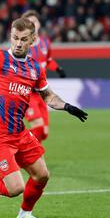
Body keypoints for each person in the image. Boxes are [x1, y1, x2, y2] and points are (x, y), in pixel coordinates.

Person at [0, 18, 87, 218]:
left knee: (42, 175)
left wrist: (67, 106)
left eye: (23, 39)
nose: (18, 43)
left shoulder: (35, 68)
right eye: (15, 38)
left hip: (20, 134)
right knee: (15, 188)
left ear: (33, 40)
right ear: (10, 37)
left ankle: (24, 216)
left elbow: (48, 96)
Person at [21, 10, 67, 142]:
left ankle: (33, 159)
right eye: (29, 22)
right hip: (28, 93)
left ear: (39, 24)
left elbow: (48, 60)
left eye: (35, 21)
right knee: (39, 128)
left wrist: (58, 68)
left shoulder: (45, 42)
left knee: (44, 133)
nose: (33, 24)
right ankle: (17, 144)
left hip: (43, 92)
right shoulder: (22, 45)